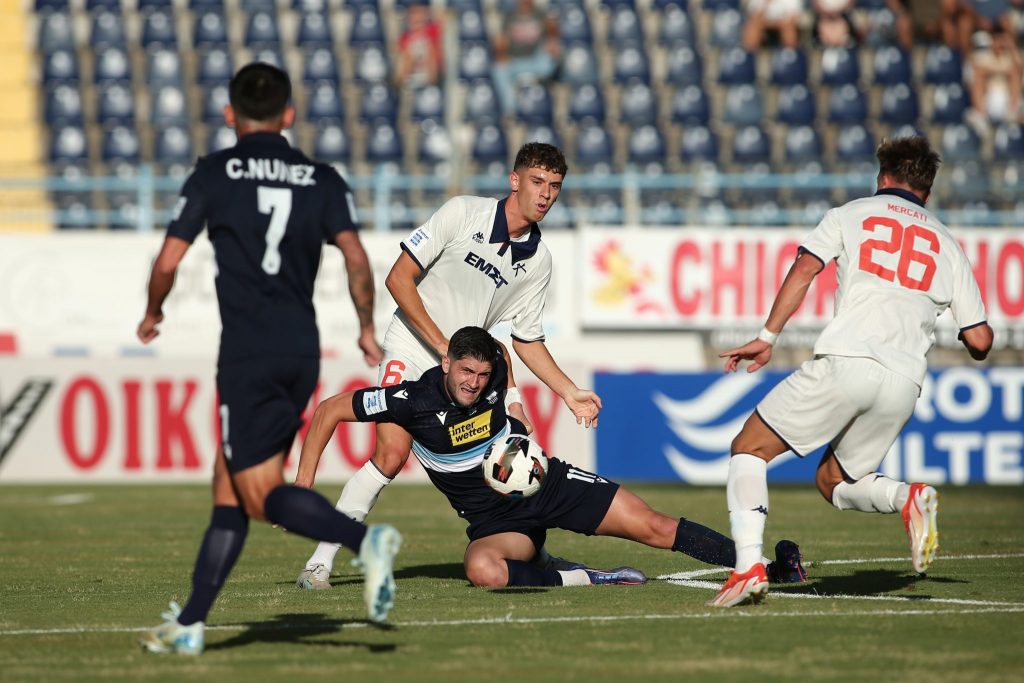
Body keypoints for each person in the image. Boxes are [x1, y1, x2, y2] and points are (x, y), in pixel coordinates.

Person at [136, 63, 401, 655]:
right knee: (229, 489)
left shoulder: (215, 172)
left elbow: (168, 259)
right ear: (289, 114)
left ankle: (364, 541)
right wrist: (364, 327)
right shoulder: (321, 178)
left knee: (257, 493)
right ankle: (190, 624)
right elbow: (356, 257)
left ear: (230, 115)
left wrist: (153, 312)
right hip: (300, 351)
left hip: (248, 353)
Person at [295, 142, 604, 589]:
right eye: (537, 182)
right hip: (414, 345)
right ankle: (319, 563)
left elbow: (522, 340)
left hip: (465, 370)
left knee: (499, 465)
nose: (546, 195)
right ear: (514, 181)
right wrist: (442, 345)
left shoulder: (538, 261)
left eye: (554, 187)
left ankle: (532, 551)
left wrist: (565, 391)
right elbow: (398, 278)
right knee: (391, 454)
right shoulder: (463, 213)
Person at [708, 136, 993, 608]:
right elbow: (980, 340)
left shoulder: (851, 213)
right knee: (835, 481)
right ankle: (907, 497)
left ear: (883, 179)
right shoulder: (949, 244)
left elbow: (804, 269)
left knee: (748, 449)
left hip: (848, 361)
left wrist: (767, 337)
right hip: (905, 382)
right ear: (928, 188)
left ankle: (747, 568)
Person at [297, 326, 808, 589]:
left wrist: (516, 405)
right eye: (465, 373)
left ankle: (768, 566)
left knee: (654, 525)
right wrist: (302, 486)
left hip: (551, 482)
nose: (474, 383)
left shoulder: (493, 372)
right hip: (497, 519)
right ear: (446, 363)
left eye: (482, 374)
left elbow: (501, 350)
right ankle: (585, 577)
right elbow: (327, 411)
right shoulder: (411, 401)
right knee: (483, 571)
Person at [491, 0, 560, 116]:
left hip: (536, 61)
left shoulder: (541, 14)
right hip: (515, 62)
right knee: (498, 69)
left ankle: (539, 90)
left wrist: (552, 40)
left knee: (549, 60)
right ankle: (511, 111)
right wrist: (501, 53)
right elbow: (501, 41)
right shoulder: (509, 16)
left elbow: (552, 36)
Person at [394, 2, 443, 89]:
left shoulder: (434, 31)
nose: (416, 17)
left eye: (419, 13)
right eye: (412, 13)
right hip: (410, 79)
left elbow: (436, 68)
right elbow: (400, 74)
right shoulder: (405, 38)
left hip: (432, 81)